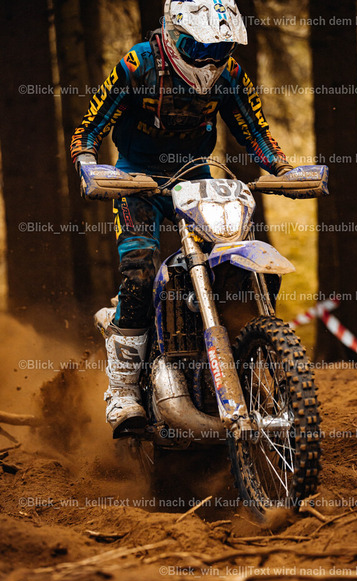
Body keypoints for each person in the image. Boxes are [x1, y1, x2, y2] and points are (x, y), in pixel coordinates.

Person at [71, 0, 293, 439]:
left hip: (196, 177)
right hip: (135, 179)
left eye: (221, 48)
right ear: (174, 36)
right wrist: (89, 166)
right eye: (200, 47)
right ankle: (123, 390)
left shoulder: (230, 75)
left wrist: (284, 169)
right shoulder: (138, 65)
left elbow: (255, 129)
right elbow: (89, 129)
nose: (210, 59)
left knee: (234, 263)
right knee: (139, 274)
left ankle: (241, 364)